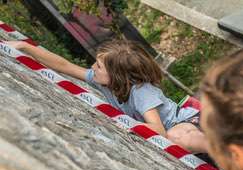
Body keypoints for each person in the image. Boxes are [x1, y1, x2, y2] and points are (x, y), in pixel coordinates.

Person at [5, 39, 208, 153]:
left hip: (184, 121)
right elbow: (65, 66)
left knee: (176, 137)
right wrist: (25, 47)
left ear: (117, 75)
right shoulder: (103, 80)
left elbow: (159, 131)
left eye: (99, 66)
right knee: (175, 137)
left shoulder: (140, 91)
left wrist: (125, 124)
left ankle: (220, 147)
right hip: (174, 125)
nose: (93, 68)